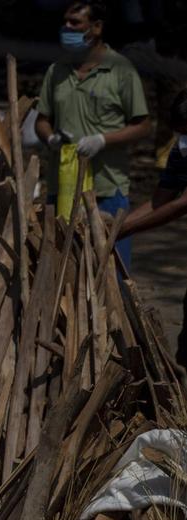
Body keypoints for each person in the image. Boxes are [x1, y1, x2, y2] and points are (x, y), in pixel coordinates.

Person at [35, 0, 151, 266]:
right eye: (65, 22)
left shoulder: (120, 69)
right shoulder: (57, 70)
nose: (67, 28)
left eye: (75, 23)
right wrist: (51, 137)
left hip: (106, 189)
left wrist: (103, 140)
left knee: (111, 272)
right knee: (64, 269)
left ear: (97, 27)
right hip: (63, 187)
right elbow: (41, 120)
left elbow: (143, 126)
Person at [118, 89, 187, 369]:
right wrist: (118, 225)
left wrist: (122, 232)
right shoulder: (180, 150)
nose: (184, 141)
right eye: (181, 134)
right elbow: (161, 200)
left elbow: (181, 204)